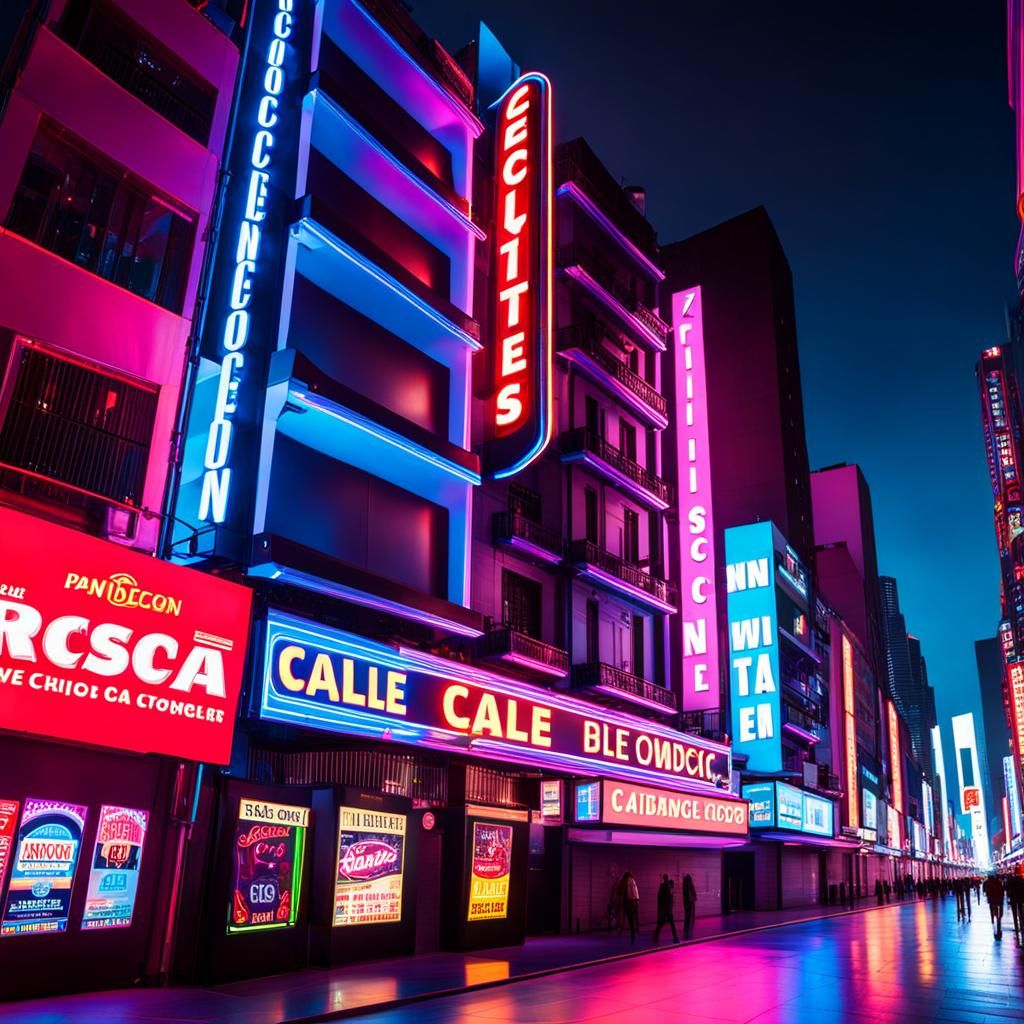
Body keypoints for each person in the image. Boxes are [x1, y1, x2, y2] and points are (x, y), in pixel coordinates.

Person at [653, 874, 678, 944]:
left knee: (661, 924)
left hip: (664, 908)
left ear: (664, 879)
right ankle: (675, 938)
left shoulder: (662, 886)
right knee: (672, 924)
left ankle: (655, 936)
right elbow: (670, 897)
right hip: (668, 908)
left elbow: (660, 896)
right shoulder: (670, 886)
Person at [983, 874, 1005, 938]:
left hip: (993, 900)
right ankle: (998, 919)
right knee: (999, 913)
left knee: (993, 909)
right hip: (999, 900)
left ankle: (993, 917)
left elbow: (987, 890)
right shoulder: (999, 883)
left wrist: (988, 896)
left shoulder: (989, 883)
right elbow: (1002, 891)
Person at [623, 871, 640, 944]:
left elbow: (632, 891)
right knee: (633, 917)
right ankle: (634, 932)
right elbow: (635, 891)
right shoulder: (632, 881)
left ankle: (633, 934)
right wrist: (637, 899)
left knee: (630, 918)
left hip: (630, 901)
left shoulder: (629, 881)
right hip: (632, 901)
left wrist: (633, 899)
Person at [1007, 869, 1024, 940]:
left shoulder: (1011, 880)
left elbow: (1008, 890)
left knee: (1014, 913)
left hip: (1013, 899)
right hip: (1020, 898)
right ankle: (1022, 924)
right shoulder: (1022, 880)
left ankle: (1016, 926)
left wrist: (1009, 897)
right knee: (1021, 912)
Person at [682, 872, 697, 938]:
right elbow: (693, 892)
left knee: (687, 916)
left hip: (686, 902)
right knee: (690, 916)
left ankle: (686, 930)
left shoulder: (684, 885)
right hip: (690, 902)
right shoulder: (689, 884)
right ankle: (688, 930)